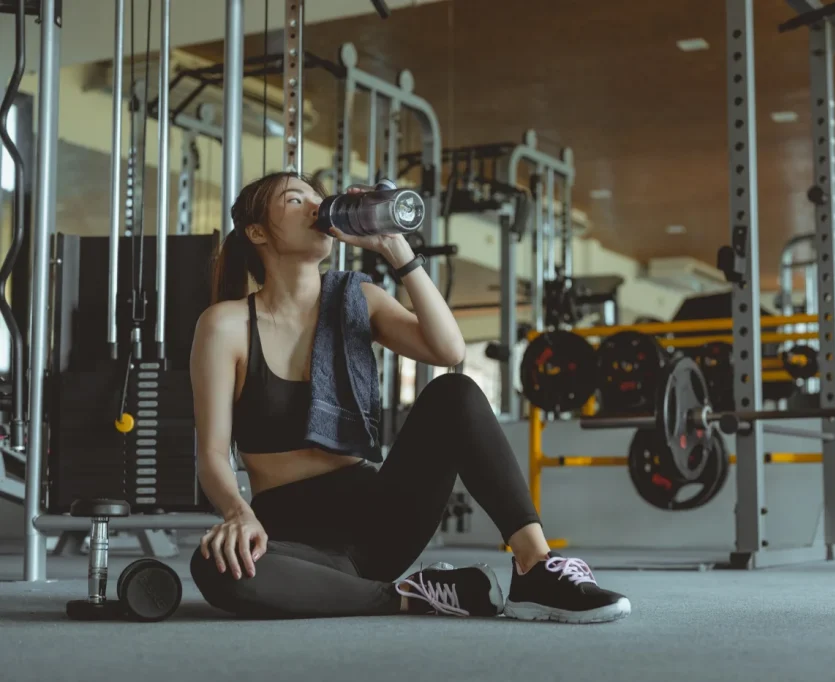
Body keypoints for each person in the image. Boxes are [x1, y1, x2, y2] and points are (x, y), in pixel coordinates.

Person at [188, 172, 631, 624]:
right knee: (214, 566)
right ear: (257, 231)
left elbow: (449, 351)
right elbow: (212, 454)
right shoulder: (224, 326)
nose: (315, 208)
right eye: (295, 199)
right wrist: (238, 514)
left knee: (453, 394)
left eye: (317, 199)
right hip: (293, 540)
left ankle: (534, 567)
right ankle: (409, 597)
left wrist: (396, 249)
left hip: (379, 523)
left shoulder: (358, 298)